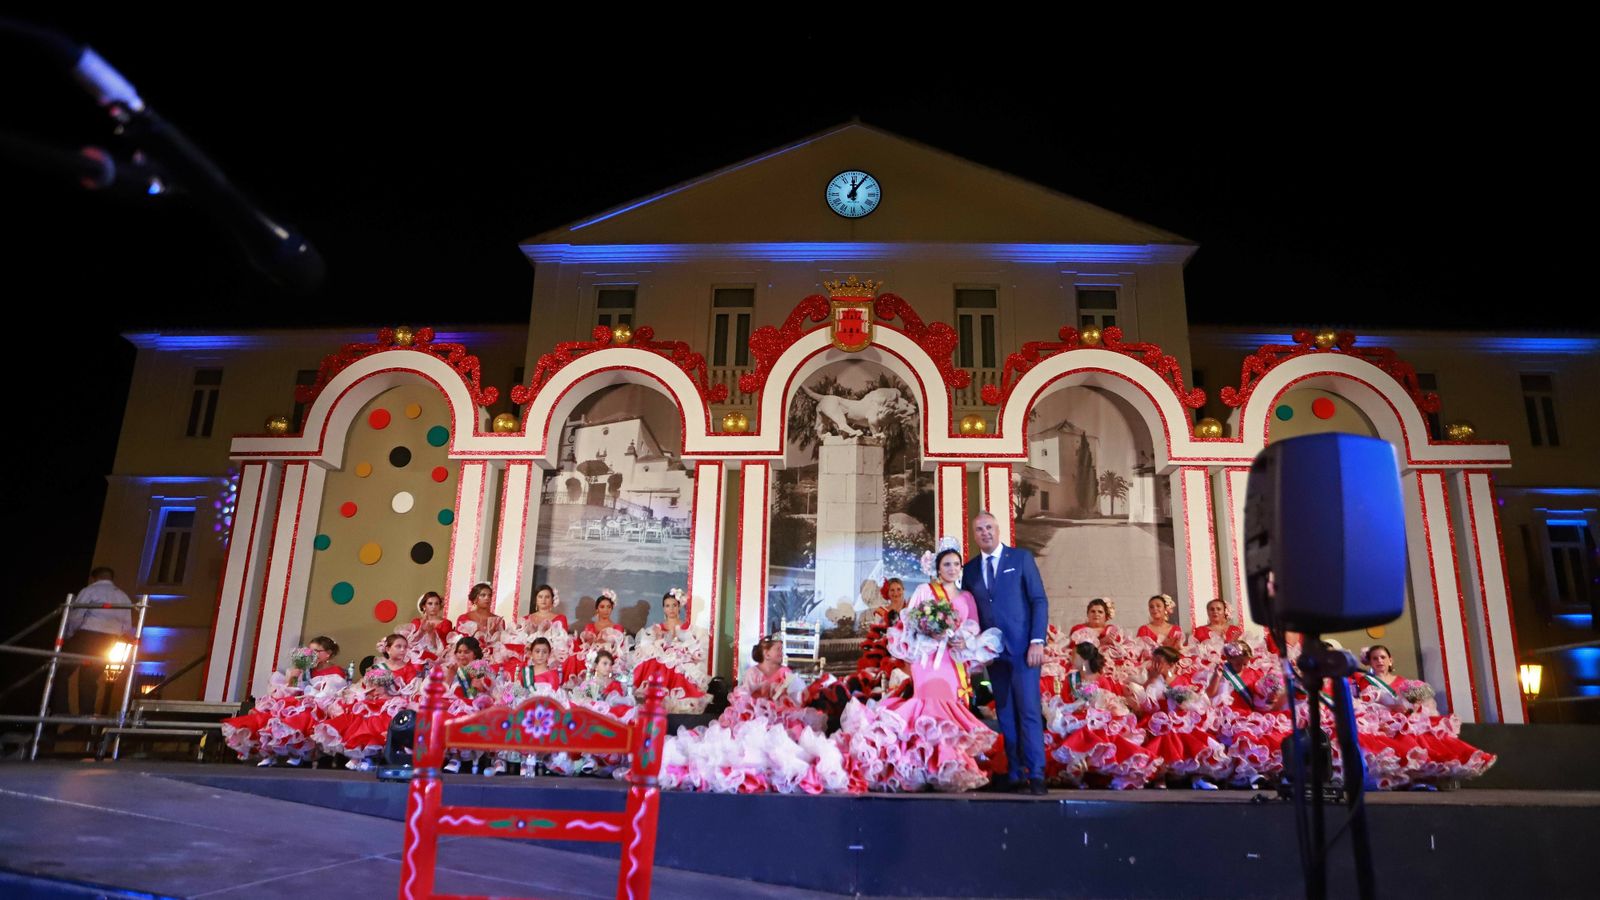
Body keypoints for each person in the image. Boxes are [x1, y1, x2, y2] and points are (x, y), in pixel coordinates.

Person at [839, 545, 1004, 792]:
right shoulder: (924, 590)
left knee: (948, 710)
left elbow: (973, 627)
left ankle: (944, 766)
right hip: (927, 660)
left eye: (956, 564)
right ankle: (919, 766)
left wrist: (962, 638)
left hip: (951, 660)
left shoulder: (967, 597)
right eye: (947, 564)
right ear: (938, 567)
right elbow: (909, 623)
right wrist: (930, 632)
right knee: (926, 706)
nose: (952, 568)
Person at [963, 510, 1049, 794]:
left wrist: (1038, 640)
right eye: (979, 529)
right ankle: (1015, 773)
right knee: (1006, 714)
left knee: (1029, 712)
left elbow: (1038, 600)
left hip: (1025, 651)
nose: (985, 533)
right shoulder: (970, 569)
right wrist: (974, 650)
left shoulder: (1020, 558)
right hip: (993, 655)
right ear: (974, 535)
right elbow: (969, 613)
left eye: (989, 527)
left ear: (998, 530)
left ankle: (1036, 774)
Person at [52, 567, 133, 722]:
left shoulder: (90, 591)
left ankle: (60, 711)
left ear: (94, 578)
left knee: (62, 671)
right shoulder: (123, 597)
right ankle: (86, 720)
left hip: (87, 636)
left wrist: (69, 634)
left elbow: (76, 616)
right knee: (90, 678)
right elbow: (127, 626)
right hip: (108, 641)